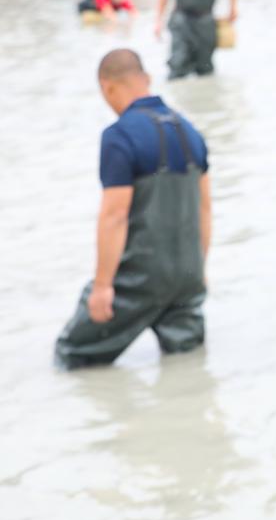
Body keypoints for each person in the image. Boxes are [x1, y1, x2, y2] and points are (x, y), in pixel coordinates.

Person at [55, 49, 211, 370]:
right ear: (146, 80)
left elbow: (115, 215)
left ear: (107, 87)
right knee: (186, 365)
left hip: (141, 277)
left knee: (71, 356)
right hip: (188, 274)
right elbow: (205, 208)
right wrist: (198, 271)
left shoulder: (119, 136)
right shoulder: (189, 131)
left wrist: (102, 287)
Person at [154, 0, 238, 80]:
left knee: (205, 68)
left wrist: (233, 7)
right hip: (182, 20)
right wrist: (158, 21)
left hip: (206, 20)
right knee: (178, 65)